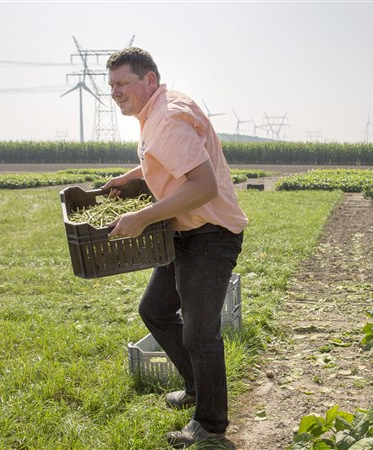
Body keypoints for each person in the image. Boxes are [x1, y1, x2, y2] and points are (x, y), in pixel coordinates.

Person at [102, 47, 247, 448]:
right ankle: (196, 388)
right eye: (111, 85)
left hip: (210, 234)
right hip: (184, 231)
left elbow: (203, 186)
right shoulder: (159, 110)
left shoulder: (166, 118)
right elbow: (168, 162)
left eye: (122, 83)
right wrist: (131, 177)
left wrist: (142, 216)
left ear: (150, 79)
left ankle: (211, 426)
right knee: (156, 309)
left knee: (200, 332)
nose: (115, 92)